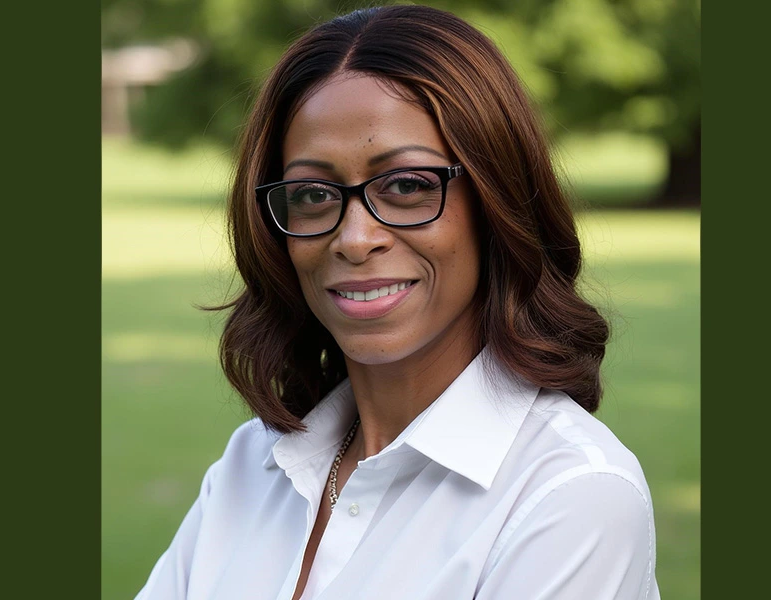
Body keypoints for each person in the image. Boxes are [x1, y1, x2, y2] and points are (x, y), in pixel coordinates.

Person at [135, 4, 660, 599]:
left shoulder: (571, 494)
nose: (354, 239)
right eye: (311, 193)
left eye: (407, 185)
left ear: (497, 202)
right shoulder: (251, 466)